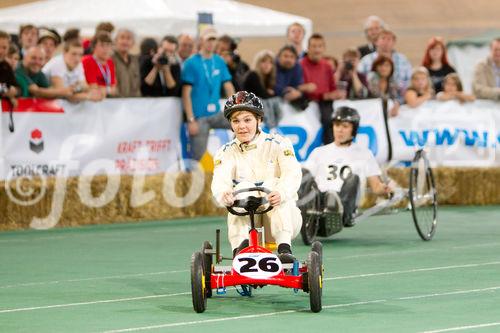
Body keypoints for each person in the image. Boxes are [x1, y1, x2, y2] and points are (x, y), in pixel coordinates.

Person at [211, 91, 302, 263]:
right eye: (236, 121)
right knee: (239, 189)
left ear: (259, 120)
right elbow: (220, 180)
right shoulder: (225, 152)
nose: (241, 126)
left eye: (247, 120)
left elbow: (293, 173)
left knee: (273, 184)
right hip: (250, 222)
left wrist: (281, 192)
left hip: (286, 219)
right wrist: (224, 194)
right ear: (230, 124)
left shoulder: (279, 144)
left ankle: (284, 250)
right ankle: (241, 249)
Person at [303, 107, 393, 228]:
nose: (340, 130)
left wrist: (386, 189)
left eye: (345, 126)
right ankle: (314, 211)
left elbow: (376, 187)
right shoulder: (319, 152)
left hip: (345, 202)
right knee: (303, 173)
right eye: (337, 125)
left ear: (353, 130)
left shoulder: (364, 154)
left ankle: (338, 211)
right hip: (319, 200)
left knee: (352, 179)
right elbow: (304, 179)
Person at [181, 28, 235, 160]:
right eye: (208, 40)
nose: (211, 43)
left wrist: (236, 109)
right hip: (199, 117)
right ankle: (195, 178)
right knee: (198, 157)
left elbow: (228, 85)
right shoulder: (191, 63)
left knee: (243, 124)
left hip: (216, 114)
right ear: (201, 41)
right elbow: (186, 94)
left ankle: (237, 161)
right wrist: (191, 120)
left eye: (213, 39)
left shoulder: (219, 61)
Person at [300, 33, 343, 144]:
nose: (317, 50)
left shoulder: (327, 66)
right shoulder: (300, 65)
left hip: (325, 103)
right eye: (314, 46)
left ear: (324, 48)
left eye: (319, 46)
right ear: (308, 48)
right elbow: (300, 88)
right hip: (306, 102)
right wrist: (323, 95)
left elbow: (332, 88)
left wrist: (336, 94)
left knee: (333, 120)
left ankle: (331, 149)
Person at [243, 49, 282, 128]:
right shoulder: (253, 75)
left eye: (270, 62)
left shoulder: (269, 78)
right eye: (264, 61)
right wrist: (270, 93)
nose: (267, 65)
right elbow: (263, 94)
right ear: (258, 63)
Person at [82, 31, 118, 97]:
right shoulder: (88, 60)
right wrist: (108, 90)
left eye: (108, 45)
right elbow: (93, 88)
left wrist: (104, 89)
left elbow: (114, 89)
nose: (106, 49)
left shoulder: (110, 62)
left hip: (107, 100)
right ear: (94, 46)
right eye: (102, 45)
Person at [111, 28, 141, 97]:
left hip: (134, 103)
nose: (125, 41)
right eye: (122, 37)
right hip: (115, 104)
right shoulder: (109, 59)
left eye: (128, 38)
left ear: (133, 43)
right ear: (115, 41)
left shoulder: (136, 60)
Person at [0, 31, 18, 104]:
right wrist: (6, 92)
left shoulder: (6, 66)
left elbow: (15, 87)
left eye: (4, 47)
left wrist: (13, 93)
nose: (0, 51)